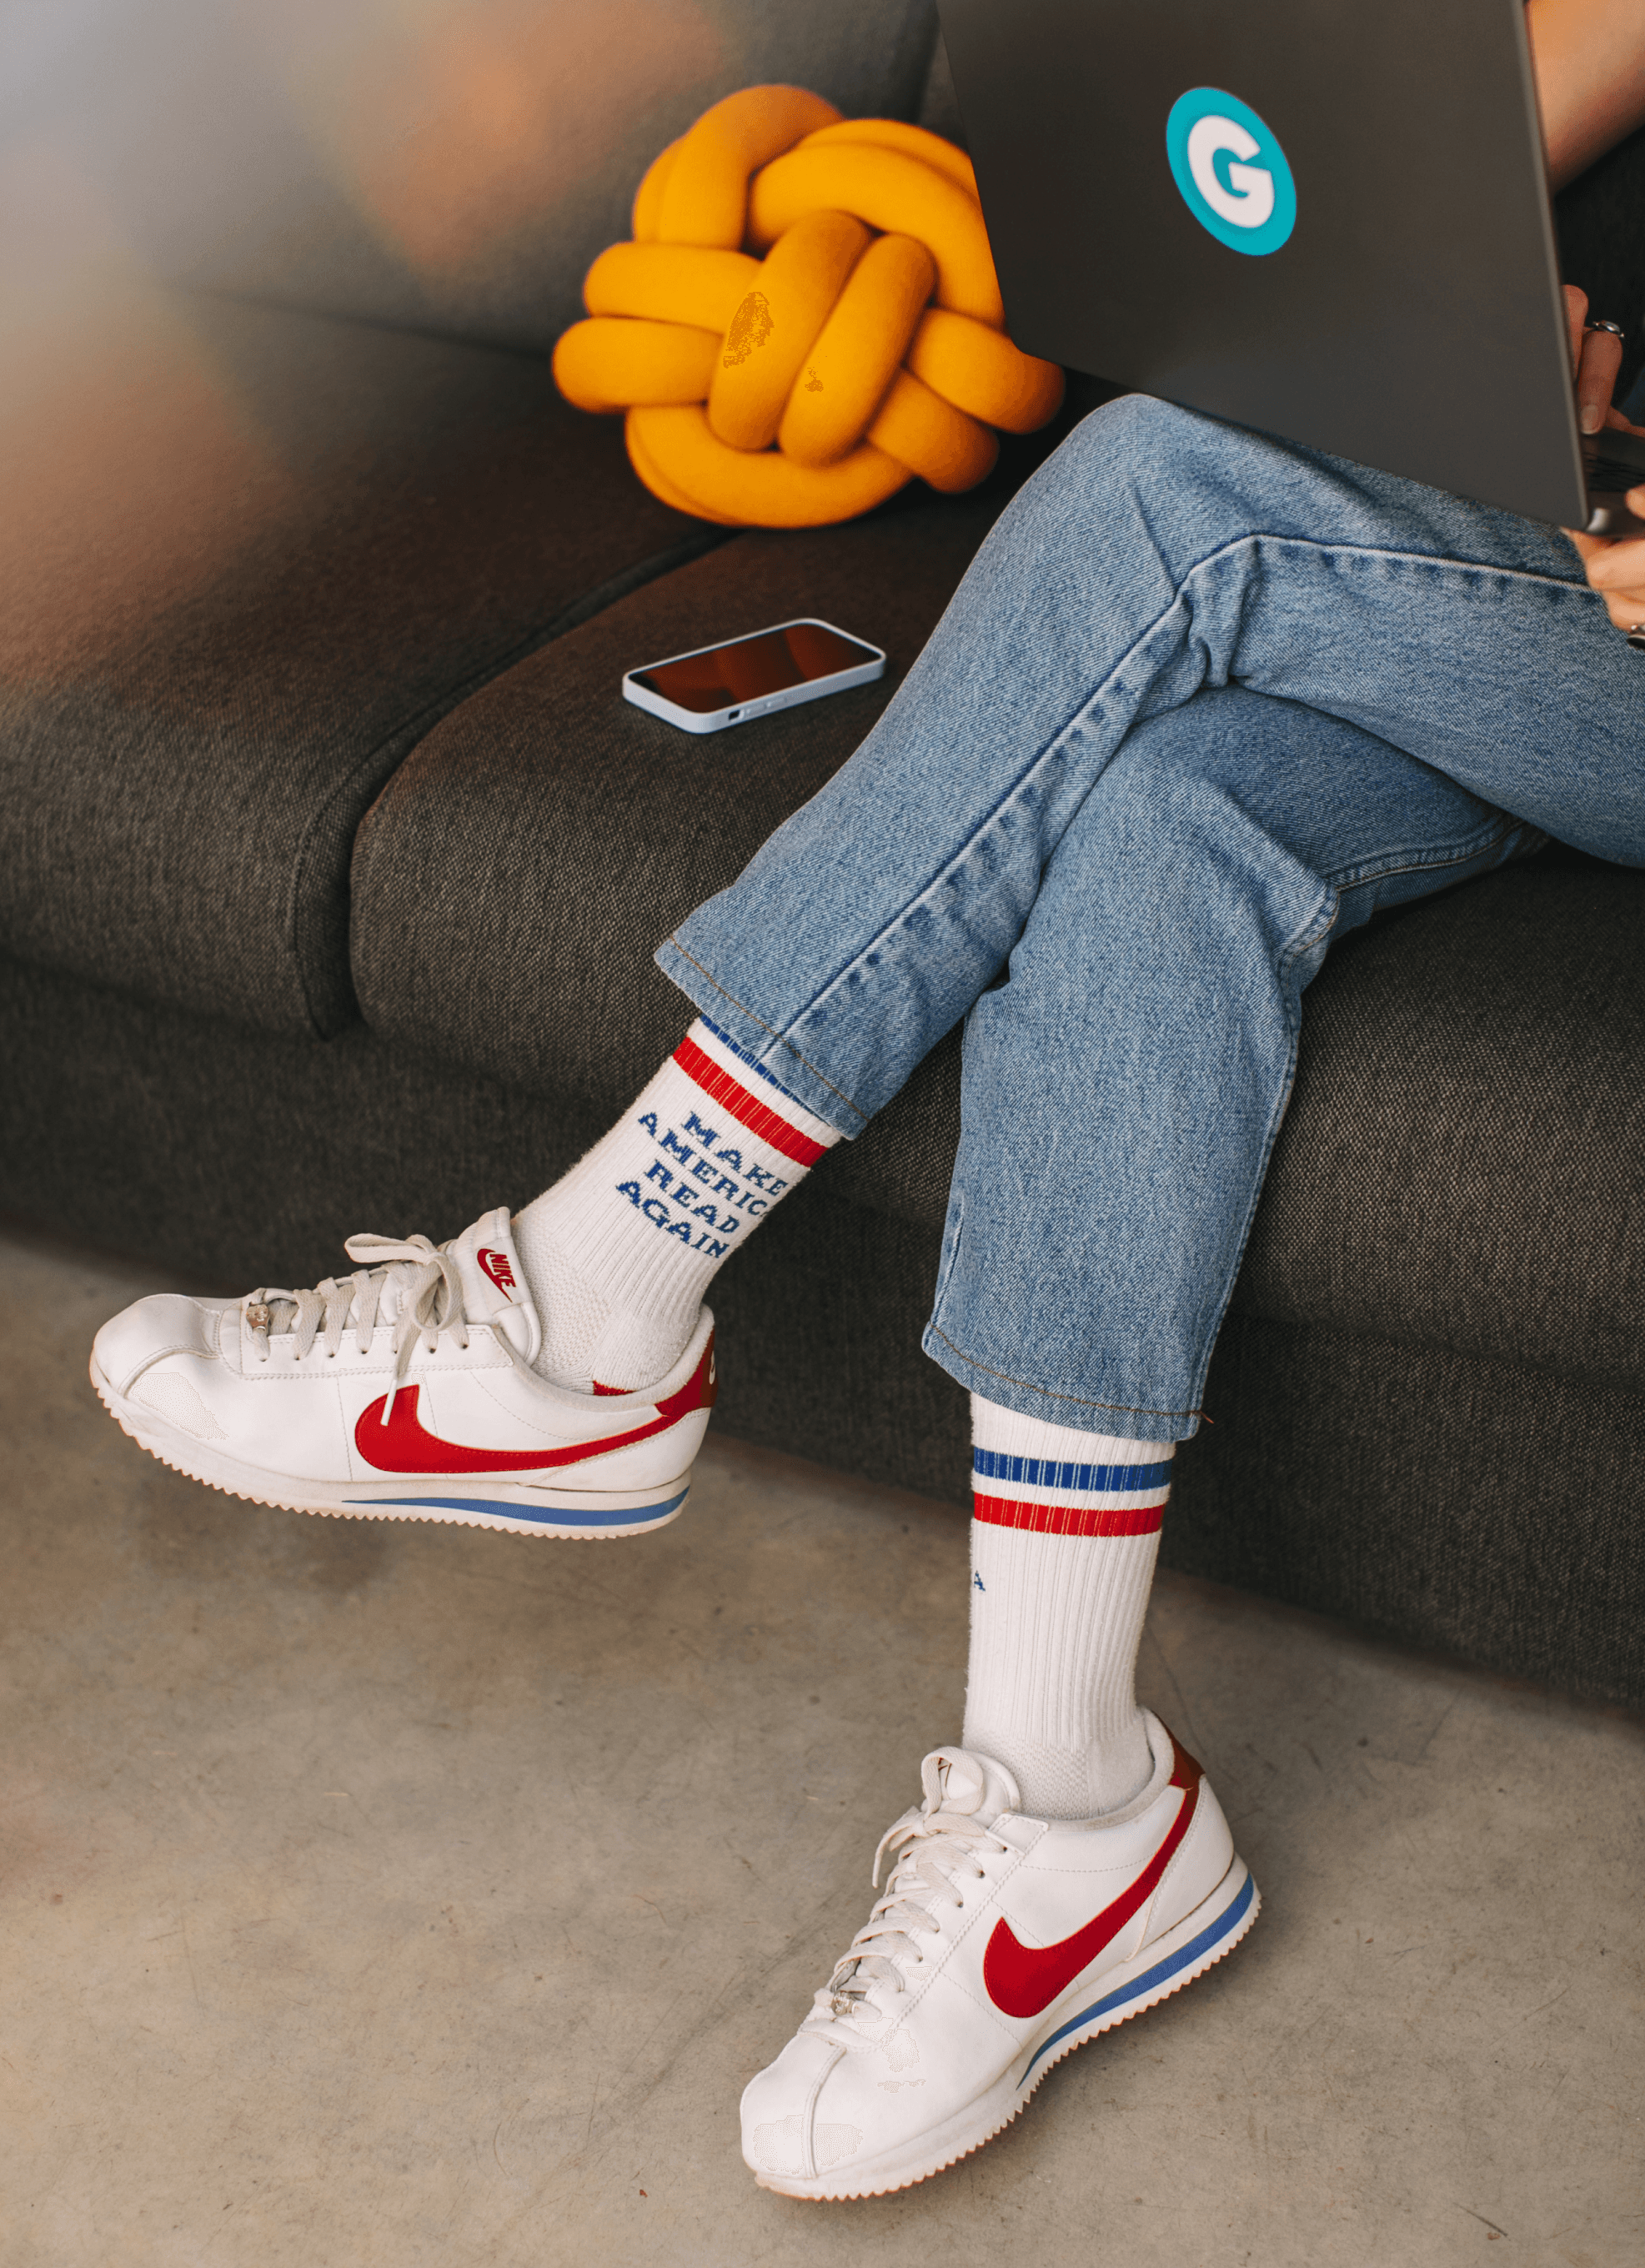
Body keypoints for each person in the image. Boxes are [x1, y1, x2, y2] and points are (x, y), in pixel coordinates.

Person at [89, 0, 1645, 2202]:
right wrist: (1469, 351)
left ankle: (593, 1303)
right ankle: (1074, 1809)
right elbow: (1431, 154)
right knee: (1163, 829)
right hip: (1546, 582)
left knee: (1170, 501)